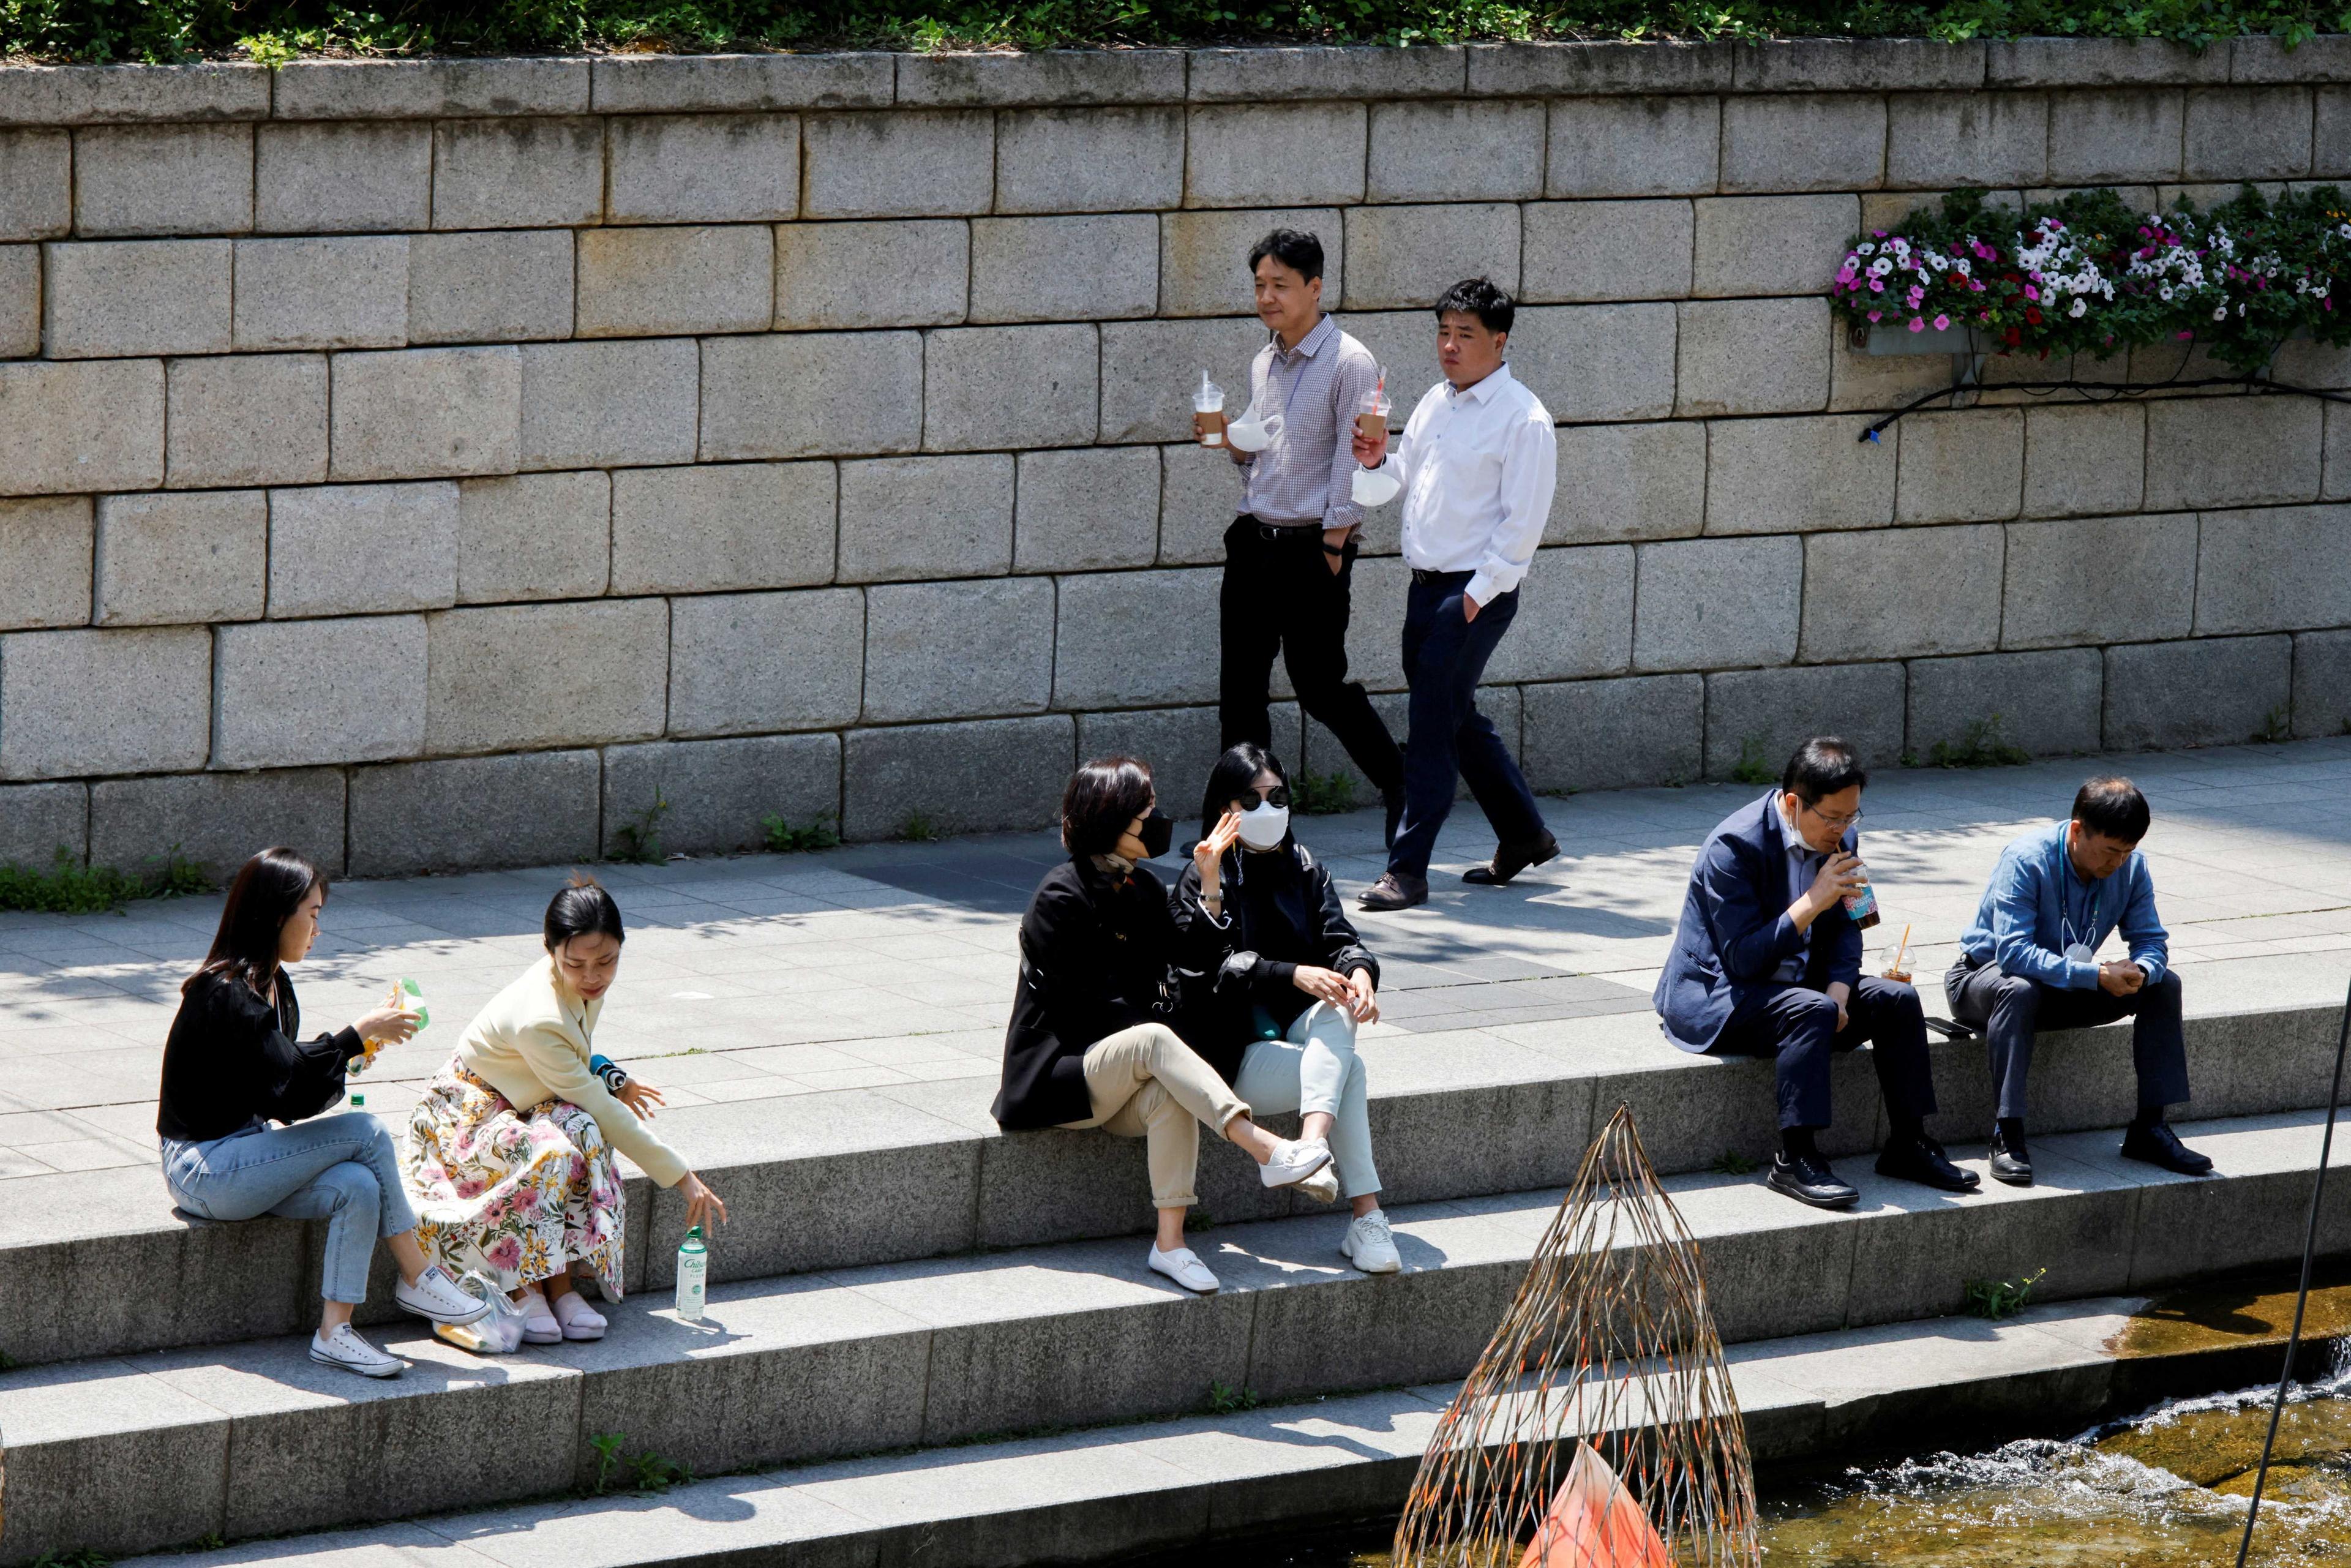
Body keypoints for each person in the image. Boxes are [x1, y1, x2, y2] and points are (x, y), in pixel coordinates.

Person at [993, 756, 1343, 1294]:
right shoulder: (1059, 897)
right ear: (1112, 819)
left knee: (1170, 1088)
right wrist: (1164, 1042)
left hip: (1123, 1077)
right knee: (1159, 1041)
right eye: (1147, 810)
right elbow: (1092, 1008)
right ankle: (1268, 1150)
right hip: (1059, 1077)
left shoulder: (1144, 889)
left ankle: (1171, 1243)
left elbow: (1192, 966)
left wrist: (1209, 881)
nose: (1158, 819)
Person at [157, 847, 493, 1378]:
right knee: (367, 1129)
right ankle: (417, 1274)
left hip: (244, 1154)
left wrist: (355, 1046)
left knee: (358, 1184)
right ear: (275, 914)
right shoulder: (223, 994)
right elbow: (289, 1094)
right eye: (312, 914)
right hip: (203, 1167)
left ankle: (335, 1331)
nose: (318, 929)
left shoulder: (273, 984)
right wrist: (354, 1038)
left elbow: (281, 1088)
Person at [1653, 738, 1978, 1210]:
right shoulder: (1732, 847)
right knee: (1810, 1009)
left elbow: (1855, 927)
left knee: (1897, 999)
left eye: (1852, 817)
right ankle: (1795, 1158)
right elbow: (1742, 958)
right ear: (1792, 804)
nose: (1842, 830)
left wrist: (1841, 994)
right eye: (1832, 818)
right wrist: (1812, 902)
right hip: (1725, 994)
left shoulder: (1844, 840)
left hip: (1804, 989)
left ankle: (1910, 1143)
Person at [405, 876, 729, 1347]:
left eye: (607, 960)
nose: (593, 976)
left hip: (529, 1098)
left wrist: (613, 1075)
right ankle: (522, 1285)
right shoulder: (538, 1015)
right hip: (468, 1114)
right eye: (576, 963)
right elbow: (587, 1090)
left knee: (583, 1132)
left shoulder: (580, 984)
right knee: (552, 1148)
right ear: (550, 951)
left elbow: (577, 1059)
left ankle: (560, 1284)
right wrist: (681, 1175)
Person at [1349, 277, 1559, 912]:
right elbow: (1394, 482)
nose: (1449, 345)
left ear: (1500, 340)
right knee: (1454, 713)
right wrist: (1370, 460)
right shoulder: (1438, 402)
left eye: (1464, 334)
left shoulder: (1526, 418)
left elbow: (1523, 525)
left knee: (1431, 725)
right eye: (1443, 331)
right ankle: (1524, 834)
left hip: (1473, 593)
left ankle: (1407, 868)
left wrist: (1475, 595)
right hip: (1426, 587)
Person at [1199, 227, 1405, 842]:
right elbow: (1264, 453)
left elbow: (1353, 459)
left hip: (1314, 546)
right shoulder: (1264, 359)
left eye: (1280, 285)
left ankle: (1403, 783)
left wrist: (1336, 546)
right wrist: (1230, 441)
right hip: (1252, 539)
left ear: (1315, 287)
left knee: (1320, 686)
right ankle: (1243, 824)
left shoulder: (1349, 361)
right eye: (1260, 284)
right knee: (1240, 690)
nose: (1267, 296)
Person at [1171, 743, 1400, 1275]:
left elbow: (1340, 937)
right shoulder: (1199, 877)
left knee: (1341, 1005)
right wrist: (1290, 971)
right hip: (1232, 1053)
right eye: (1249, 799)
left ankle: (1311, 1150)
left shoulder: (1303, 865)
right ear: (1223, 807)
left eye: (1276, 796)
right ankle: (1366, 1217)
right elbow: (1212, 971)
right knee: (1353, 1070)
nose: (1266, 809)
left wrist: (1361, 972)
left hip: (1296, 1036)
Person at [1948, 776, 2210, 1184]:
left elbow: (2152, 942)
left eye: (2128, 851)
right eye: (2110, 850)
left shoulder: (2132, 868)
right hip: (1984, 981)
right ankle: (2007, 1133)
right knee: (2019, 988)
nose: (2118, 863)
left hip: (2066, 987)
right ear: (2077, 830)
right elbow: (2013, 954)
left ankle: (2150, 1128)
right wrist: (2094, 975)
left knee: (2164, 984)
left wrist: (2141, 969)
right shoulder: (2026, 859)